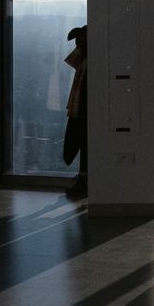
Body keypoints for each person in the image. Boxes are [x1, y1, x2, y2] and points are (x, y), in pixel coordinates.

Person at [62, 26, 89, 198]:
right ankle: (84, 179)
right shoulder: (88, 64)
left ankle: (84, 180)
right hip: (84, 113)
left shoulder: (86, 66)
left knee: (84, 146)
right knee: (86, 146)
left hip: (82, 114)